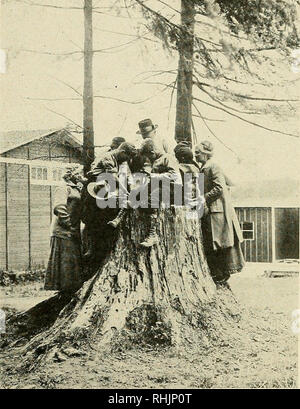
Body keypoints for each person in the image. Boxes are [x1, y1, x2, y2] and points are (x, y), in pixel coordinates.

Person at [195, 140, 245, 284]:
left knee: (221, 242)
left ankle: (224, 273)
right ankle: (218, 272)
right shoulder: (204, 167)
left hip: (218, 210)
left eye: (198, 153)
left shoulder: (213, 166)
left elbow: (219, 188)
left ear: (206, 153)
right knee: (213, 242)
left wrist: (203, 198)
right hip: (211, 210)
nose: (196, 155)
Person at [81, 142, 137, 266]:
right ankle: (91, 248)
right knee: (94, 220)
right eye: (127, 157)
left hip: (106, 189)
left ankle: (104, 248)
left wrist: (132, 189)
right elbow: (113, 178)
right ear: (122, 152)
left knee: (107, 217)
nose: (127, 160)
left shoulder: (121, 161)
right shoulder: (108, 157)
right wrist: (127, 191)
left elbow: (128, 177)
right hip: (94, 187)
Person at [44, 166, 84, 295]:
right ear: (71, 174)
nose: (80, 175)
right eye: (78, 173)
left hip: (73, 232)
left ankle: (70, 292)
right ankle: (65, 293)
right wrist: (69, 224)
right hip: (63, 231)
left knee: (72, 265)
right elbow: (59, 207)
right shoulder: (63, 187)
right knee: (66, 264)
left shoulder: (77, 188)